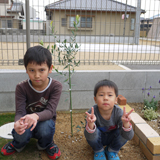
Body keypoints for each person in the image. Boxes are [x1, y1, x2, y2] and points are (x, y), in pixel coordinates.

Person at [1, 45, 62, 160]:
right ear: (26, 69)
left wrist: (35, 116)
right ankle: (17, 144)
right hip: (27, 121)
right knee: (21, 129)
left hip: (45, 121)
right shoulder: (21, 87)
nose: (37, 75)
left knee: (46, 127)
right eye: (32, 70)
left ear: (50, 68)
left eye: (42, 70)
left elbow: (50, 111)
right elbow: (20, 111)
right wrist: (18, 122)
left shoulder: (56, 86)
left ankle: (46, 144)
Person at [84, 79, 134, 160]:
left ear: (116, 100)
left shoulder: (119, 112)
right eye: (101, 95)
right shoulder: (92, 113)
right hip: (98, 138)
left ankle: (112, 150)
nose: (105, 98)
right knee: (91, 130)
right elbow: (88, 136)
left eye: (110, 95)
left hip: (112, 138)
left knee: (124, 131)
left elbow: (129, 136)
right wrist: (90, 124)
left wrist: (126, 124)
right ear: (95, 99)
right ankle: (98, 151)